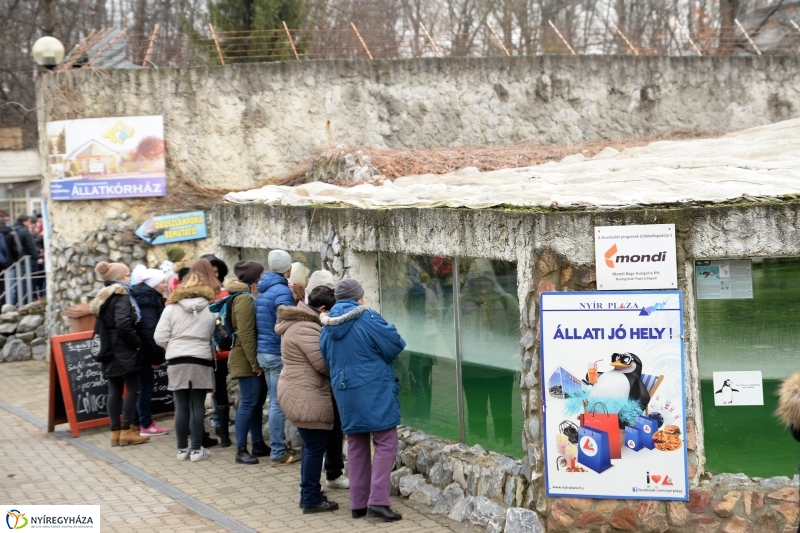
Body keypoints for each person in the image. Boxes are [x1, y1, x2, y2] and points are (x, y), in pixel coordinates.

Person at [320, 279, 406, 522]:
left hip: (345, 390)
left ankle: (359, 504)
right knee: (386, 441)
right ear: (359, 298)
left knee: (357, 443)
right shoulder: (367, 318)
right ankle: (378, 502)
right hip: (373, 387)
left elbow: (326, 357)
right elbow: (394, 345)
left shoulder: (327, 325)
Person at [276, 286, 343, 514]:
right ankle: (311, 499)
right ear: (322, 308)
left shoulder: (300, 323)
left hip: (299, 390)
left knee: (311, 447)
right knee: (315, 448)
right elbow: (323, 364)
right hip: (305, 394)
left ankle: (310, 492)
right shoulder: (306, 327)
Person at [154, 265, 216, 462]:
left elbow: (159, 337)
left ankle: (182, 450)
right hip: (200, 359)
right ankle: (196, 450)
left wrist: (172, 347)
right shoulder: (211, 308)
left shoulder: (171, 308)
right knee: (197, 405)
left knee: (180, 405)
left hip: (177, 360)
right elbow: (215, 336)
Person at [455, 259, 519, 447]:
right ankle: (478, 447)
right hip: (473, 371)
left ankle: (505, 444)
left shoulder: (507, 302)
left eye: (486, 279)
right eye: (477, 280)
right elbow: (448, 330)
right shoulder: (461, 305)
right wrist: (461, 354)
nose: (482, 284)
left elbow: (517, 330)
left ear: (492, 280)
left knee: (503, 412)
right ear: (471, 282)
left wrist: (511, 353)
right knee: (475, 412)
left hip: (501, 369)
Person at [90, 261, 149, 447]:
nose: (129, 278)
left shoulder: (103, 297)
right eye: (126, 275)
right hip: (123, 348)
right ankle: (127, 430)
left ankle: (115, 433)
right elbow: (123, 323)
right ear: (118, 279)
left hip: (109, 348)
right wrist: (137, 344)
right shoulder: (121, 295)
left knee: (114, 389)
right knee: (134, 388)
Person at [224, 260, 270, 464]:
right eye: (261, 274)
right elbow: (246, 334)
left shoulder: (248, 296)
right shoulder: (243, 299)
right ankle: (241, 449)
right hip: (245, 359)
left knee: (256, 403)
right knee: (249, 402)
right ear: (255, 277)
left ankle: (258, 443)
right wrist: (254, 362)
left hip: (249, 357)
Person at [255, 249, 299, 464]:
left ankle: (280, 448)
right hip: (275, 352)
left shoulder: (263, 289)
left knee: (275, 401)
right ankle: (278, 451)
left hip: (264, 351)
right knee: (278, 404)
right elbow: (289, 323)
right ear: (288, 269)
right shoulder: (282, 291)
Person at [130, 268, 169, 436]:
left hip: (139, 352)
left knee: (141, 388)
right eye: (162, 282)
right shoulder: (149, 302)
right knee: (145, 388)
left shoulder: (143, 298)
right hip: (144, 354)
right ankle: (146, 424)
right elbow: (150, 332)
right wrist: (156, 357)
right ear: (153, 284)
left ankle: (139, 422)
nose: (165, 285)